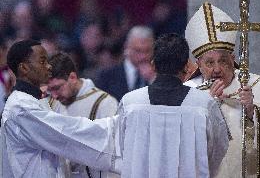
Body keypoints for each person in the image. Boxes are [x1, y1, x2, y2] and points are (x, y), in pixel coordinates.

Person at [184, 2, 260, 178]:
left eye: (222, 60)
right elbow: (182, 141)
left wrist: (253, 111)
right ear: (198, 64)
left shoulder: (258, 85)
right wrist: (208, 104)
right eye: (209, 63)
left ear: (232, 58)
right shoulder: (189, 92)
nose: (216, 69)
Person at [0, 40, 120, 178]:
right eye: (42, 61)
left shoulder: (35, 101)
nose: (49, 66)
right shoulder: (21, 108)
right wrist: (113, 124)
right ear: (24, 68)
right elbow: (66, 131)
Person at [117, 33, 229, 177]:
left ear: (153, 65)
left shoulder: (130, 103)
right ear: (186, 66)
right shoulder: (204, 104)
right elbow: (218, 149)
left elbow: (121, 148)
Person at [46, 52, 119, 178]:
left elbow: (114, 155)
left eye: (57, 88)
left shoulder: (104, 103)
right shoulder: (50, 105)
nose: (54, 95)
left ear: (73, 77)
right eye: (49, 89)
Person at [95, 26, 154, 101]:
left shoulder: (160, 76)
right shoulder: (107, 76)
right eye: (138, 50)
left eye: (147, 51)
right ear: (127, 47)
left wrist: (153, 80)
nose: (143, 56)